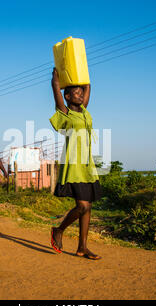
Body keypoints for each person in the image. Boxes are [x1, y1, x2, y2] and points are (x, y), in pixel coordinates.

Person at [49, 68, 102, 260]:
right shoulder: (66, 113)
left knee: (88, 207)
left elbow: (88, 87)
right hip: (73, 165)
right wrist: (56, 80)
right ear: (67, 96)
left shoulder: (84, 112)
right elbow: (57, 93)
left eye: (81, 93)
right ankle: (59, 230)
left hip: (87, 166)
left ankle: (82, 247)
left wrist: (84, 75)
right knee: (82, 205)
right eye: (76, 93)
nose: (80, 95)